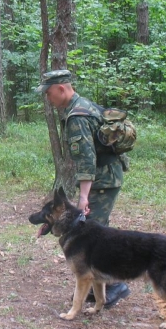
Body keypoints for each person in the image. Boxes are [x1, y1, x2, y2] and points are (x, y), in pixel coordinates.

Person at [35, 69, 130, 308]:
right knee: (97, 233)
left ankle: (113, 285)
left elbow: (87, 160)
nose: (48, 99)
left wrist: (84, 197)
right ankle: (98, 287)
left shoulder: (77, 116)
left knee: (93, 235)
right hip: (107, 177)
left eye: (49, 93)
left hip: (101, 181)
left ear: (61, 88)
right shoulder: (84, 105)